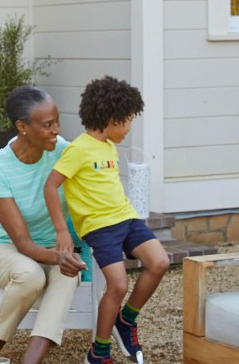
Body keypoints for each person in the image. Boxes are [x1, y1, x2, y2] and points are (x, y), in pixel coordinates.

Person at [44, 76, 168, 364]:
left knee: (160, 262)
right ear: (113, 118)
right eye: (128, 119)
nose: (129, 126)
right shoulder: (78, 149)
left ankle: (126, 321)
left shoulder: (109, 147)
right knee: (118, 285)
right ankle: (98, 352)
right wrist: (62, 230)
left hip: (126, 218)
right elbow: (51, 186)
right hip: (99, 228)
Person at [0, 86, 87, 364]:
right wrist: (60, 256)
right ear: (22, 127)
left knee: (67, 275)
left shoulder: (65, 152)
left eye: (57, 122)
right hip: (5, 251)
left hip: (53, 249)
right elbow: (23, 243)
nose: (57, 130)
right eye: (48, 124)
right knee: (31, 274)